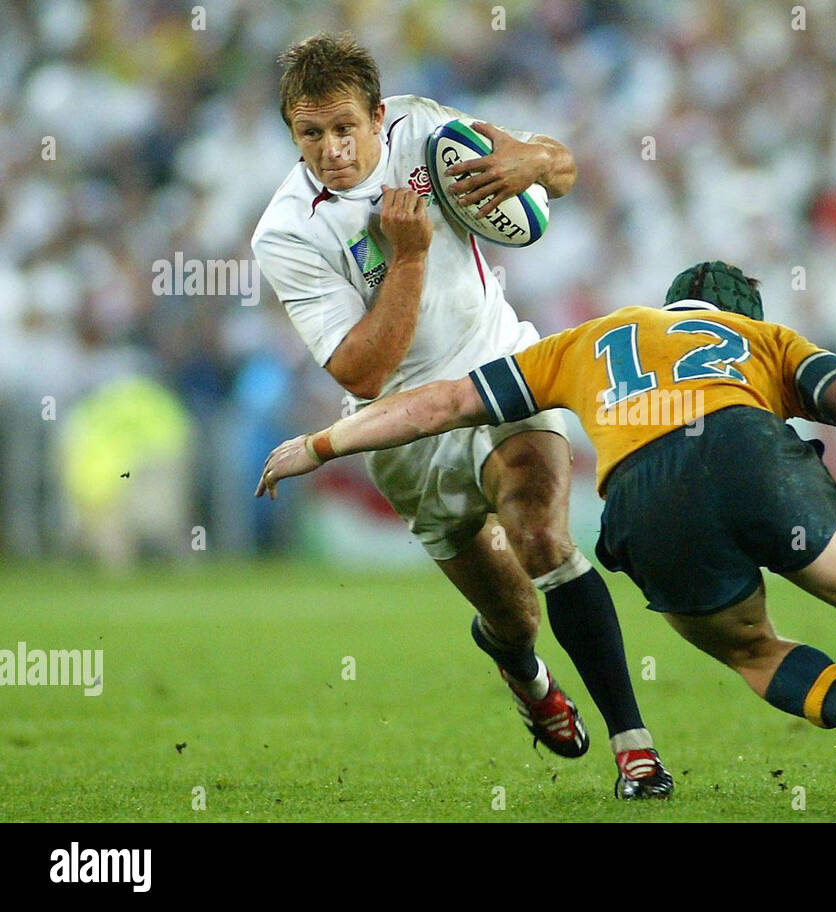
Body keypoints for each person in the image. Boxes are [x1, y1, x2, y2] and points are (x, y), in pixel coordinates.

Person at [258, 261, 836, 804]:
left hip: (643, 496)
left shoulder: (587, 342)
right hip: (752, 455)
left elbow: (440, 404)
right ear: (740, 317)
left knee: (752, 650)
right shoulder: (762, 341)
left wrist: (322, 444)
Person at [250, 33, 670, 799]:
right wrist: (406, 257)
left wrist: (534, 164)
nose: (332, 149)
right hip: (403, 428)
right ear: (291, 133)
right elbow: (364, 371)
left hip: (501, 367)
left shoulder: (427, 130)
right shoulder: (286, 232)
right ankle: (522, 671)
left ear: (378, 116)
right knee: (514, 616)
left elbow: (563, 171)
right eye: (310, 134)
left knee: (543, 535)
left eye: (345, 127)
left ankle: (635, 750)